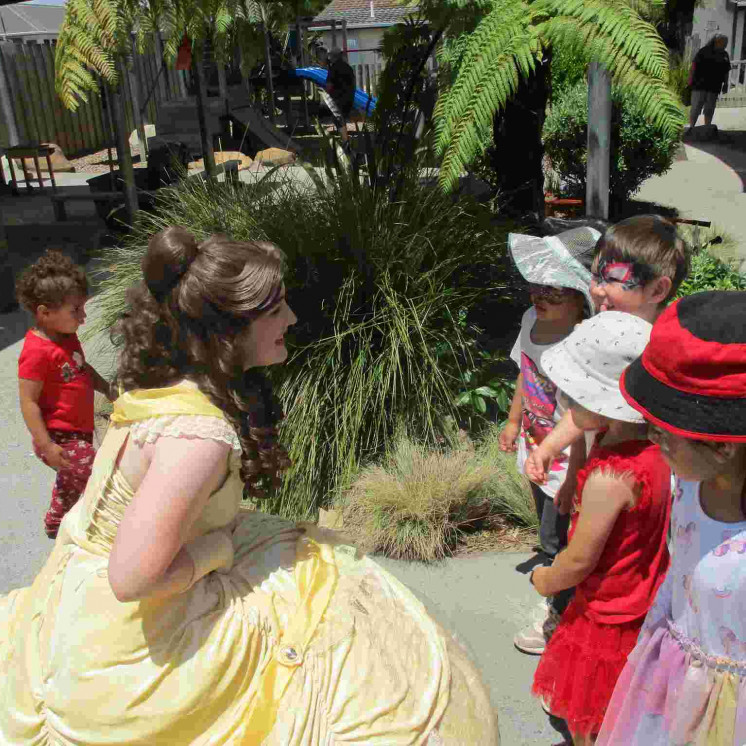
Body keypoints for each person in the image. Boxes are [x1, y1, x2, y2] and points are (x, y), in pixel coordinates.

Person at [0, 227, 498, 744]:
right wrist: (216, 548)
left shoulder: (162, 382)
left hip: (84, 581)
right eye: (275, 310)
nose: (293, 320)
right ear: (227, 330)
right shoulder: (198, 437)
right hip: (134, 625)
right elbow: (132, 579)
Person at [597, 290, 746, 745]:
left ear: (720, 445)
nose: (650, 439)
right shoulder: (689, 481)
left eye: (662, 432)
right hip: (673, 677)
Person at [530, 312, 672, 745]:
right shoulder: (660, 453)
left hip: (605, 613)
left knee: (590, 715)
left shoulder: (612, 478)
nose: (567, 407)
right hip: (643, 600)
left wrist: (544, 579)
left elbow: (579, 560)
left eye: (576, 397)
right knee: (626, 709)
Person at [524, 215, 689, 501]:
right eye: (595, 276)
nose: (597, 289)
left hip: (638, 481)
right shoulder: (609, 328)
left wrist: (549, 448)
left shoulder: (654, 345)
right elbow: (589, 403)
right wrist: (564, 459)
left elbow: (590, 413)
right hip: (609, 471)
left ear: (658, 289)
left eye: (611, 279)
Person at [498, 226, 600, 655]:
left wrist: (576, 477)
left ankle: (559, 611)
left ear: (581, 302)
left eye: (556, 291)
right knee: (545, 521)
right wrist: (512, 419)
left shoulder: (581, 345)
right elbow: (525, 369)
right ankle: (557, 584)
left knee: (558, 536)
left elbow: (581, 419)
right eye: (537, 286)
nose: (541, 297)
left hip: (566, 461)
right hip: (535, 447)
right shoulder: (530, 322)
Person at [15, 249, 113, 539]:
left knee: (72, 481)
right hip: (59, 436)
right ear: (45, 313)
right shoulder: (36, 352)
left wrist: (107, 388)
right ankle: (88, 525)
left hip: (79, 429)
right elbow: (28, 401)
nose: (83, 317)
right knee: (95, 473)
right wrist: (46, 445)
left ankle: (56, 518)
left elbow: (82, 368)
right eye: (76, 310)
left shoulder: (67, 336)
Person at [688, 34, 731, 130]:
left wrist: (726, 83)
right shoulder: (704, 51)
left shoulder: (724, 55)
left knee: (709, 108)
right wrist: (690, 79)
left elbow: (726, 70)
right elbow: (694, 66)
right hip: (700, 84)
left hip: (714, 86)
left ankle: (706, 128)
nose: (725, 45)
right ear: (717, 42)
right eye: (724, 43)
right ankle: (691, 127)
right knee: (696, 107)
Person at [325, 47, 356, 144]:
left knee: (337, 119)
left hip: (338, 98)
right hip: (349, 97)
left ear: (333, 57)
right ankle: (345, 138)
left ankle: (345, 140)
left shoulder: (333, 68)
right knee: (342, 118)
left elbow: (329, 85)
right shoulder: (348, 67)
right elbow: (354, 83)